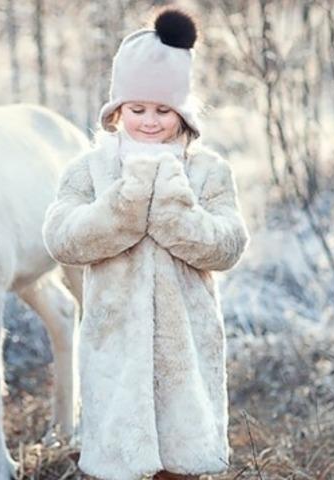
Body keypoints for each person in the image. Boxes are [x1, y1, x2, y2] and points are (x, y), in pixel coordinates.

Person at [42, 8, 249, 480]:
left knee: (182, 458)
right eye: (138, 110)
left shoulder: (207, 171)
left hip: (185, 351)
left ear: (183, 112)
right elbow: (62, 238)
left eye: (163, 111)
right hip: (115, 348)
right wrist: (126, 204)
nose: (150, 122)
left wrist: (176, 211)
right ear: (116, 112)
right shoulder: (89, 170)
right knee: (122, 459)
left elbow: (227, 244)